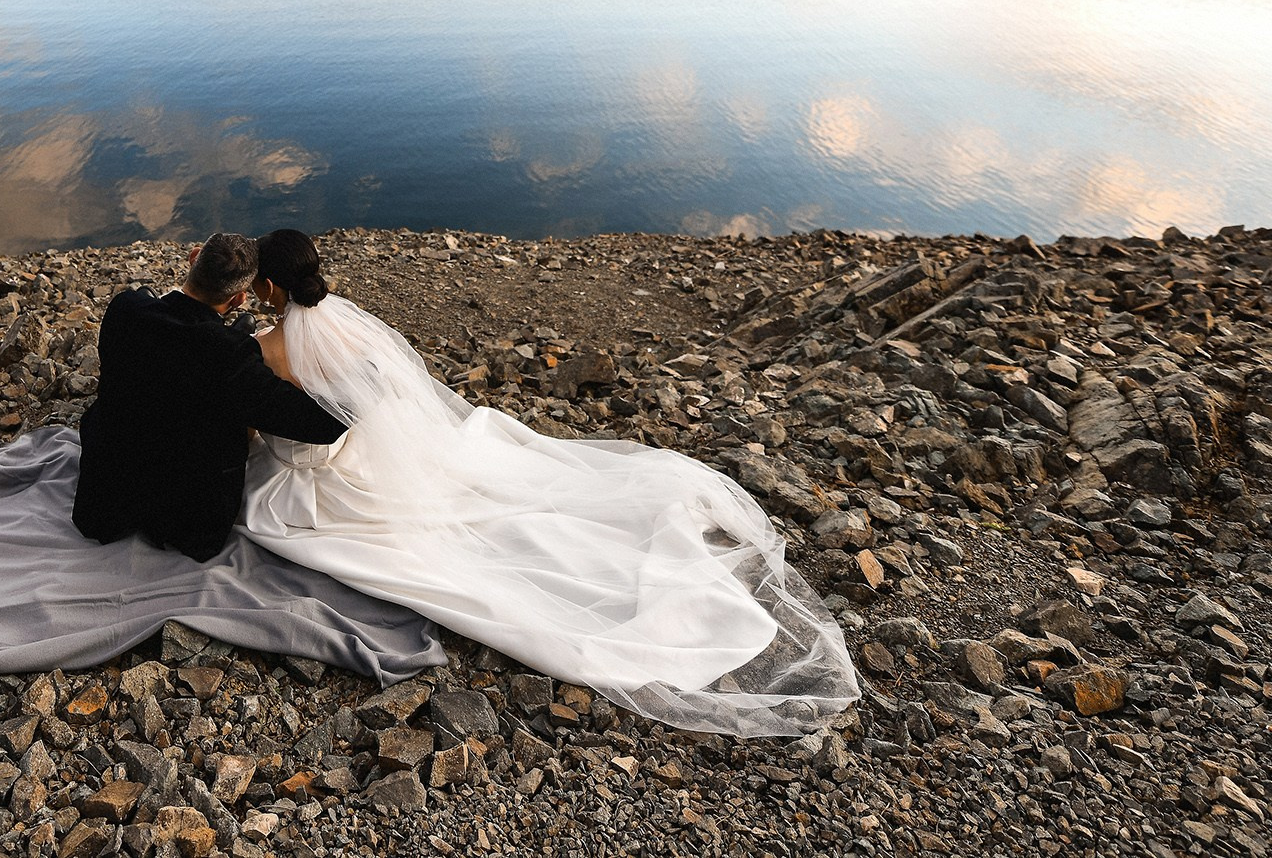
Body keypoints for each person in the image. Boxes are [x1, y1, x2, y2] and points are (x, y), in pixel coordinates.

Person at [238, 230, 857, 737]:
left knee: (267, 514)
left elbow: (258, 424)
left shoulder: (265, 350)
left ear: (266, 287)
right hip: (372, 457)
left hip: (322, 481)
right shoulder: (348, 325)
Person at [72, 232, 349, 562]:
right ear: (239, 299)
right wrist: (371, 379)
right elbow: (317, 425)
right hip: (188, 519)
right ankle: (232, 327)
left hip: (105, 497)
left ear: (193, 258)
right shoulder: (232, 356)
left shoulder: (125, 308)